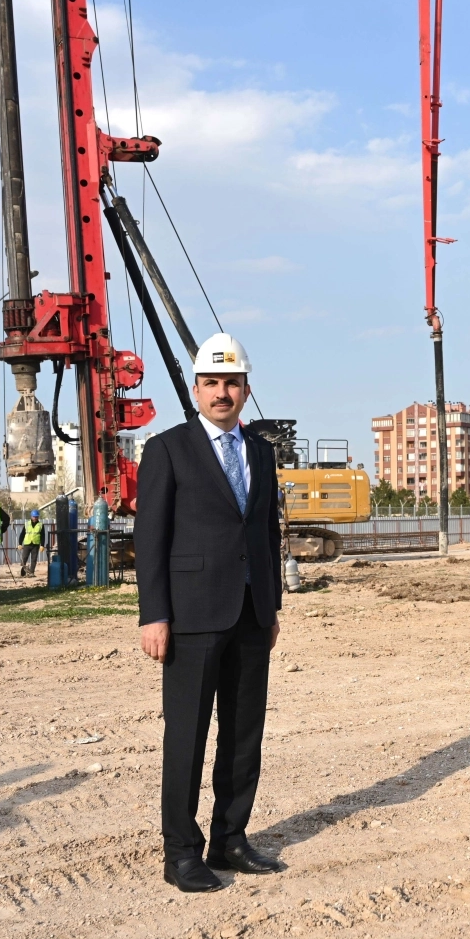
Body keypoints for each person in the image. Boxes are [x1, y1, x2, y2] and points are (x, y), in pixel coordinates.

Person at [135, 333, 283, 894]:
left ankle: (230, 840)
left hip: (250, 613)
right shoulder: (168, 449)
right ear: (196, 389)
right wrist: (154, 614)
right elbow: (150, 539)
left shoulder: (261, 452)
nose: (223, 392)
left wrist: (271, 606)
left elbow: (265, 532)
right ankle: (181, 853)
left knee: (244, 735)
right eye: (212, 382)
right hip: (191, 616)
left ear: (246, 389)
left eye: (232, 383)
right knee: (188, 737)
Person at [20, 511, 46, 576]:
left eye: (36, 517)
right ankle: (23, 572)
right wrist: (20, 543)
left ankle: (31, 572)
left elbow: (43, 536)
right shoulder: (27, 524)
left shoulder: (40, 525)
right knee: (24, 558)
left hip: (35, 545)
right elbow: (22, 534)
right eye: (34, 517)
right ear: (31, 517)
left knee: (34, 559)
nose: (35, 518)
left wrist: (42, 545)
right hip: (27, 544)